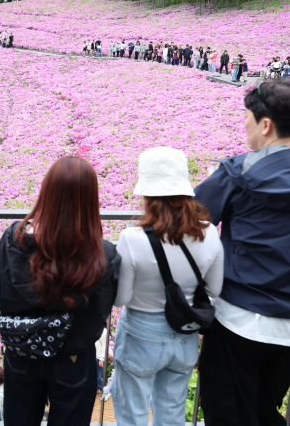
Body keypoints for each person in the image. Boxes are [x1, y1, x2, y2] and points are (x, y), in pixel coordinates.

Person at [194, 79, 290, 426]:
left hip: (240, 320)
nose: (245, 126)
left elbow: (185, 220)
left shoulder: (239, 171)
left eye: (247, 118)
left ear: (266, 124)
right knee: (264, 409)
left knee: (228, 412)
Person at [0, 155, 120, 426]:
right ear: (89, 199)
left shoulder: (12, 239)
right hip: (72, 356)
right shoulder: (103, 253)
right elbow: (106, 304)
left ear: (46, 191)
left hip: (21, 350)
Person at [112, 147, 224, 426]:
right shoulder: (209, 232)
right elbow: (215, 290)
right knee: (172, 412)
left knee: (132, 414)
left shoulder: (132, 238)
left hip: (141, 333)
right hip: (184, 334)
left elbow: (121, 298)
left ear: (147, 194)